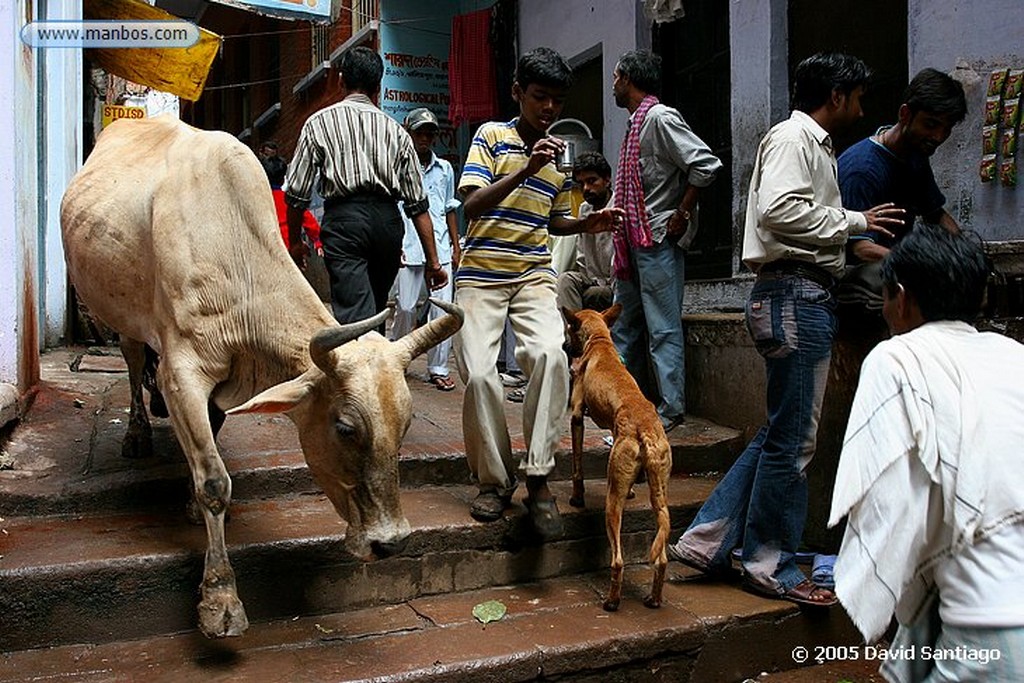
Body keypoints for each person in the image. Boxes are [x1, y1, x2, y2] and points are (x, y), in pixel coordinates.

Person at [668, 52, 905, 606]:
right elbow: (779, 213)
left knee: (782, 433)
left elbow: (799, 229)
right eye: (858, 97)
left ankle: (707, 539)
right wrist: (856, 222)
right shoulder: (793, 139)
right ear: (837, 95)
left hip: (797, 291)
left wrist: (853, 249)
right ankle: (768, 561)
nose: (861, 108)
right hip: (794, 297)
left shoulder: (812, 146)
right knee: (794, 440)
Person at [830, 224, 1024, 682]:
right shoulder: (1013, 354)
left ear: (901, 296)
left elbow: (892, 509)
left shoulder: (896, 358)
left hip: (990, 624)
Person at [455, 47, 622, 539]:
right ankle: (494, 480)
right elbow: (472, 207)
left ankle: (539, 476)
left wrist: (585, 222)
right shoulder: (492, 137)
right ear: (518, 94)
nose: (548, 108)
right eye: (539, 97)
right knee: (480, 376)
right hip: (482, 273)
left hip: (532, 274)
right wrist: (525, 169)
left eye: (556, 100)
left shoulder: (558, 159)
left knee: (551, 355)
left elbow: (549, 220)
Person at [284, 46, 446, 325]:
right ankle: (374, 361)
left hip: (345, 223)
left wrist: (296, 243)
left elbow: (297, 193)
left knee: (356, 315)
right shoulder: (398, 132)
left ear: (340, 80)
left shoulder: (318, 124)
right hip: (387, 225)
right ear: (378, 87)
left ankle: (363, 362)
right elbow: (418, 206)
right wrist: (433, 263)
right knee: (374, 308)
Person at [609, 49, 722, 433]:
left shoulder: (659, 118)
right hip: (630, 241)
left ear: (627, 78)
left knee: (662, 327)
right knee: (624, 325)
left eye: (615, 77)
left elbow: (705, 164)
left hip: (656, 237)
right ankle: (626, 403)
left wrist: (682, 212)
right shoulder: (634, 125)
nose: (613, 85)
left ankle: (670, 409)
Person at [839, 68, 967, 266]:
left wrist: (967, 254)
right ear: (905, 114)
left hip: (897, 270)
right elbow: (860, 249)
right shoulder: (862, 169)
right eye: (931, 125)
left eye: (946, 129)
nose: (938, 137)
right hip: (861, 279)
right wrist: (918, 265)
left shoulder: (915, 156)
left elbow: (935, 214)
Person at [391, 108, 461, 392]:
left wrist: (456, 246)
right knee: (406, 308)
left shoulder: (445, 169)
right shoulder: (397, 167)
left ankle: (438, 367)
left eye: (429, 133)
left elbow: (449, 209)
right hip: (408, 246)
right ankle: (396, 358)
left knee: (442, 313)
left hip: (441, 249)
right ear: (409, 133)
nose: (425, 138)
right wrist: (394, 244)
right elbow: (393, 209)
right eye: (419, 132)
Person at [556, 151, 615, 313]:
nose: (586, 188)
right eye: (581, 184)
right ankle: (572, 336)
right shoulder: (584, 209)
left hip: (616, 284)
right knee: (564, 280)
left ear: (607, 180)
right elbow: (581, 255)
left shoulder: (618, 207)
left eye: (591, 181)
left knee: (596, 294)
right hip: (592, 280)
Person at [261, 155, 322, 255]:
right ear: (283, 179)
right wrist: (318, 241)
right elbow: (309, 222)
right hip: (291, 250)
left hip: (267, 251)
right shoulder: (289, 200)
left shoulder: (261, 201)